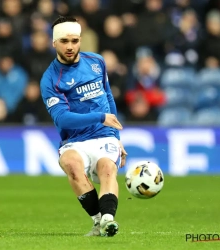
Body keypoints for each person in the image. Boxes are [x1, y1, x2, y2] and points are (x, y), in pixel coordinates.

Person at [40, 16, 127, 237]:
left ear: (80, 40)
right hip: (75, 139)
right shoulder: (50, 79)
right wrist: (99, 117)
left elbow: (108, 97)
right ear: (54, 43)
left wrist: (116, 138)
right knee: (70, 163)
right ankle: (98, 221)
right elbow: (62, 119)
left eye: (74, 40)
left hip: (104, 134)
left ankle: (108, 219)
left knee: (108, 167)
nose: (70, 46)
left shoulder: (97, 62)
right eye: (64, 41)